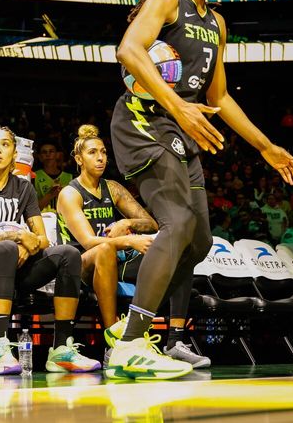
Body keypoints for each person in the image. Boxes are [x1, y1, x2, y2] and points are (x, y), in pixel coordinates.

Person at [108, 0, 293, 380]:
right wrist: (177, 107)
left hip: (181, 130)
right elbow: (129, 51)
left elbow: (220, 96)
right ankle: (131, 341)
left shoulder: (217, 23)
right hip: (144, 122)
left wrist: (264, 146)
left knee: (195, 241)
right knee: (176, 224)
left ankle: (169, 339)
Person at [56, 125, 209, 368]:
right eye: (92, 152)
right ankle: (112, 343)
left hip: (117, 260)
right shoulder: (69, 193)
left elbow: (150, 222)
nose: (100, 158)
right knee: (104, 250)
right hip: (80, 264)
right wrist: (128, 240)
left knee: (181, 252)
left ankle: (175, 341)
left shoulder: (113, 188)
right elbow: (87, 242)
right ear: (78, 159)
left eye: (104, 152)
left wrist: (126, 222)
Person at [0, 127, 100, 375]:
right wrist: (17, 237)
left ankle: (62, 348)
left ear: (14, 153)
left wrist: (26, 245)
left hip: (10, 269)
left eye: (4, 145)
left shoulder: (24, 188)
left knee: (69, 254)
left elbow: (41, 239)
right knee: (6, 248)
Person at [34, 142, 72, 213]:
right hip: (43, 219)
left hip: (65, 220)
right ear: (40, 157)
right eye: (44, 152)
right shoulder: (34, 176)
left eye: (51, 151)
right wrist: (50, 194)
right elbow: (32, 208)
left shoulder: (70, 177)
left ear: (57, 155)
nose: (48, 154)